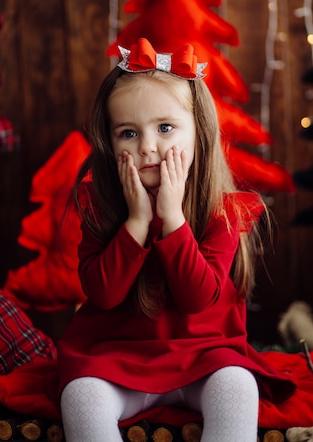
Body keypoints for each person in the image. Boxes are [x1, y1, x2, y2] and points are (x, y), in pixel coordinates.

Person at [57, 38, 295, 442]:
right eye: (128, 133)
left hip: (204, 356)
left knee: (238, 387)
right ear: (109, 142)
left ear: (199, 133)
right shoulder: (97, 203)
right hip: (117, 358)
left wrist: (172, 220)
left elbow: (197, 297)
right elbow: (103, 294)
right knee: (81, 396)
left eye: (165, 128)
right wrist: (136, 222)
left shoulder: (223, 213)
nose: (148, 147)